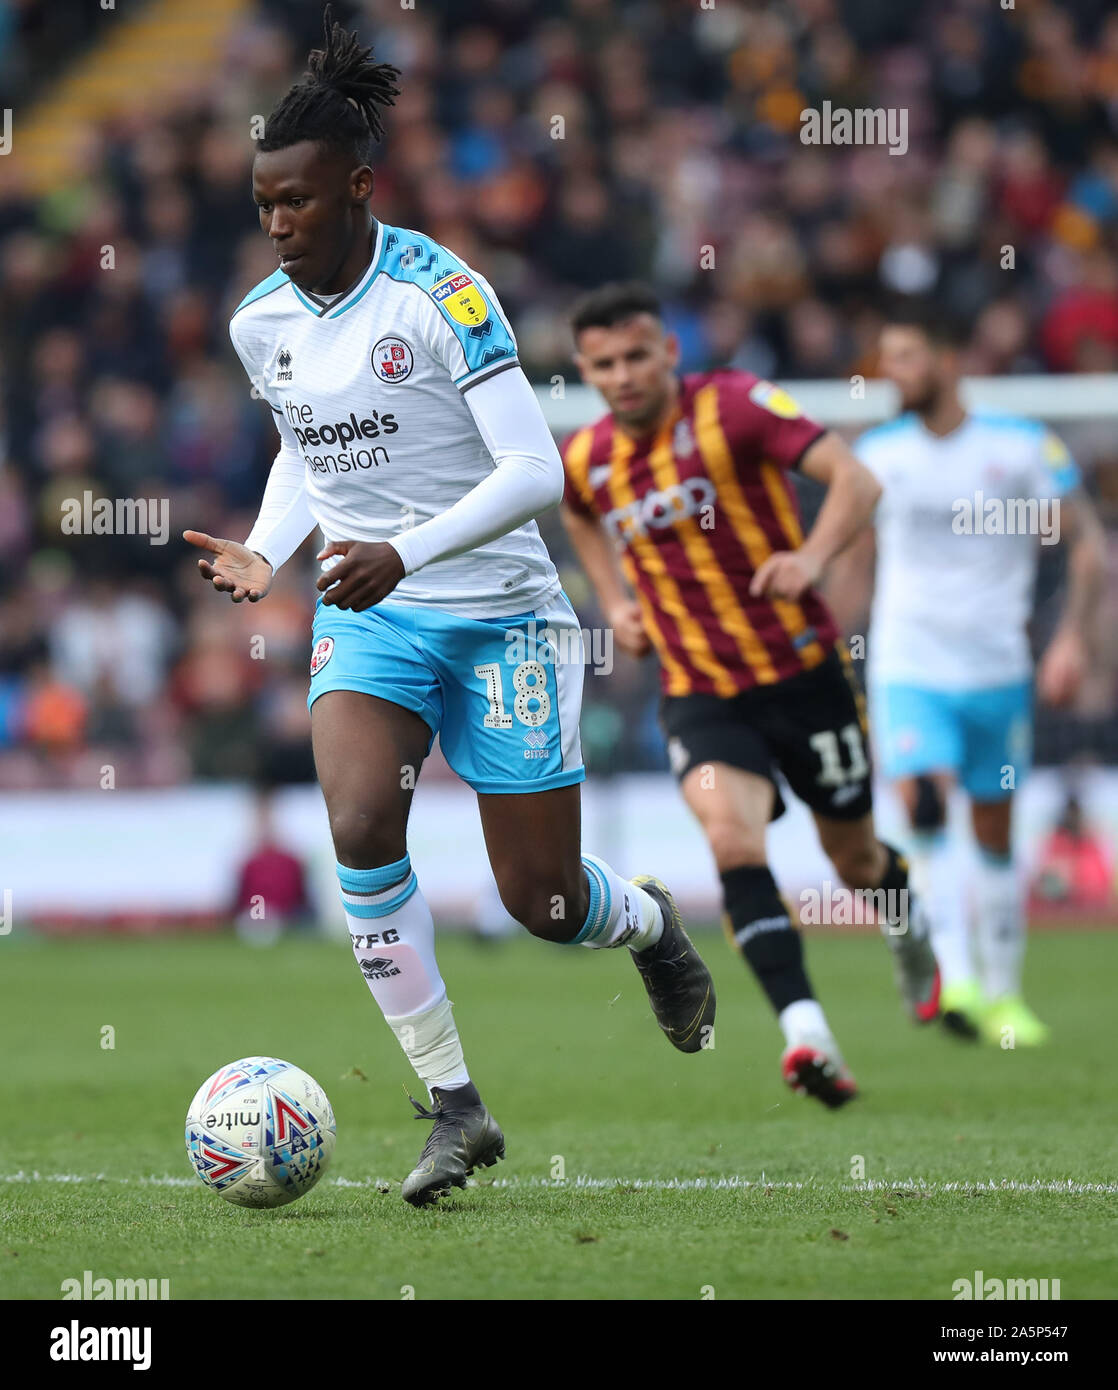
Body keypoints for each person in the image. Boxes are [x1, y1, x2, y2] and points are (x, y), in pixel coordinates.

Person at [184, 11, 716, 1206]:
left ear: (359, 187)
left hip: (503, 618)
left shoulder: (446, 296)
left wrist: (402, 550)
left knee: (543, 899)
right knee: (360, 820)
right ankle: (456, 1109)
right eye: (263, 203)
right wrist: (273, 554)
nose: (277, 225)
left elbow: (541, 473)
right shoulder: (259, 320)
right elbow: (303, 450)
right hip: (372, 616)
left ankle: (649, 927)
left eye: (299, 203)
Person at [559, 281, 940, 1110]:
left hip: (802, 675)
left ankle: (904, 919)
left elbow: (858, 481)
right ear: (586, 372)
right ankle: (808, 1033)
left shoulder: (734, 407)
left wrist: (812, 556)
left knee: (856, 861)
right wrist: (612, 599)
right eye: (603, 365)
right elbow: (577, 510)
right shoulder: (587, 457)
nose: (622, 376)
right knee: (732, 843)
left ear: (669, 353)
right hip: (700, 692)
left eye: (635, 357)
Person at [850, 305, 1106, 1044]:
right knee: (925, 809)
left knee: (993, 834)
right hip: (908, 665)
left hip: (997, 667)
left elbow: (1086, 547)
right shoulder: (880, 452)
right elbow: (858, 561)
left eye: (904, 357)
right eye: (885, 358)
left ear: (947, 360)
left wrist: (1071, 644)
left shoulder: (1020, 446)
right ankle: (954, 978)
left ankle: (1004, 997)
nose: (890, 374)